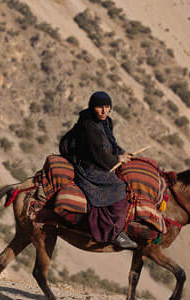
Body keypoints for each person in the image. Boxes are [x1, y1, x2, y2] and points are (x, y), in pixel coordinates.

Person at [59, 91, 138, 249]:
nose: (104, 111)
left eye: (107, 107)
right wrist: (117, 160)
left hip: (100, 162)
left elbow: (110, 145)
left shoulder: (107, 122)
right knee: (119, 188)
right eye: (99, 107)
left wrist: (122, 153)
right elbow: (98, 154)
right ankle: (113, 233)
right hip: (89, 167)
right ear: (92, 107)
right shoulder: (89, 125)